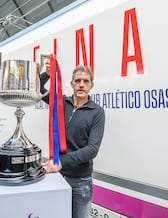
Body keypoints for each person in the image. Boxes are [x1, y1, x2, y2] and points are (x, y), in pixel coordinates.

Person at [40, 62, 105, 218]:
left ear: (91, 85)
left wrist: (61, 161)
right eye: (77, 81)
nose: (81, 85)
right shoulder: (60, 103)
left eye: (85, 81)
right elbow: (38, 90)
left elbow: (92, 149)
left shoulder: (97, 112)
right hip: (57, 176)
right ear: (71, 84)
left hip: (80, 182)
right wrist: (47, 74)